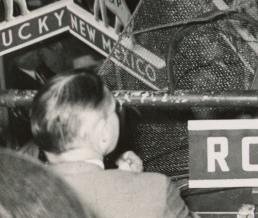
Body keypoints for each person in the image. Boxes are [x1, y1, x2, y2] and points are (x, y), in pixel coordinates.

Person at [29, 70, 194, 218]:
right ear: (103, 132)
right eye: (114, 109)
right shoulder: (155, 190)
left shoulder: (14, 193)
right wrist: (132, 184)